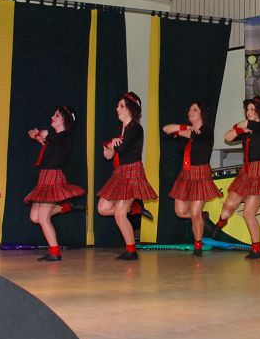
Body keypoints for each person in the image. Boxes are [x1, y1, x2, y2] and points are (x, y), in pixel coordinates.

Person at [215, 96, 260, 259]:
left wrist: (243, 126)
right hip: (246, 170)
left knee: (249, 213)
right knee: (228, 205)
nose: (249, 112)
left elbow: (247, 124)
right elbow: (227, 137)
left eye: (252, 109)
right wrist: (241, 129)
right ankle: (221, 222)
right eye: (247, 109)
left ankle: (256, 248)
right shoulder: (248, 129)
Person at [98, 92, 158, 261]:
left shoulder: (136, 128)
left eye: (121, 106)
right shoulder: (121, 130)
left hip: (132, 172)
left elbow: (121, 148)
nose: (117, 108)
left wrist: (110, 144)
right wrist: (110, 146)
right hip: (120, 173)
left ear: (131, 109)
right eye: (118, 105)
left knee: (119, 214)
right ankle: (135, 208)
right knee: (102, 208)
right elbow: (109, 154)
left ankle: (131, 250)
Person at [25, 105, 84, 262]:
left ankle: (55, 252)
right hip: (43, 179)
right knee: (35, 217)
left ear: (65, 121)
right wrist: (36, 135)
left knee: (43, 217)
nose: (52, 117)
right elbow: (44, 139)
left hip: (53, 178)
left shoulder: (66, 137)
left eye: (57, 115)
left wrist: (42, 134)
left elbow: (52, 137)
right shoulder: (53, 139)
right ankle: (67, 207)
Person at [165, 101, 221, 256]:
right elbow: (166, 129)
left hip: (201, 173)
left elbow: (194, 135)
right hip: (186, 174)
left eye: (195, 109)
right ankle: (204, 217)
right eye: (190, 109)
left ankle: (198, 246)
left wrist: (187, 130)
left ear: (202, 114)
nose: (191, 112)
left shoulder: (207, 131)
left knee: (195, 212)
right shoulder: (189, 131)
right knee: (180, 211)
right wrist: (186, 127)